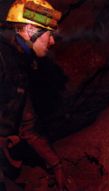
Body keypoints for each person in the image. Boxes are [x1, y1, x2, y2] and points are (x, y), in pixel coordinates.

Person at [0, 0, 65, 190]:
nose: (52, 41)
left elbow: (28, 126)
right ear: (30, 29)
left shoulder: (19, 65)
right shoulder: (2, 58)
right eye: (49, 34)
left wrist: (56, 164)